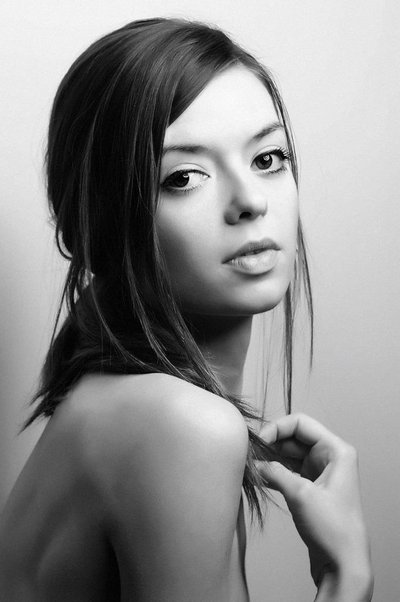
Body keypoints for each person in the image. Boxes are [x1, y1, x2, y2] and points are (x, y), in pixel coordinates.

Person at [0, 17, 373, 601]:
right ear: (101, 225)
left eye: (268, 158)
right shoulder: (180, 424)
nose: (250, 200)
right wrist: (345, 575)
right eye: (183, 177)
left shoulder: (117, 403)